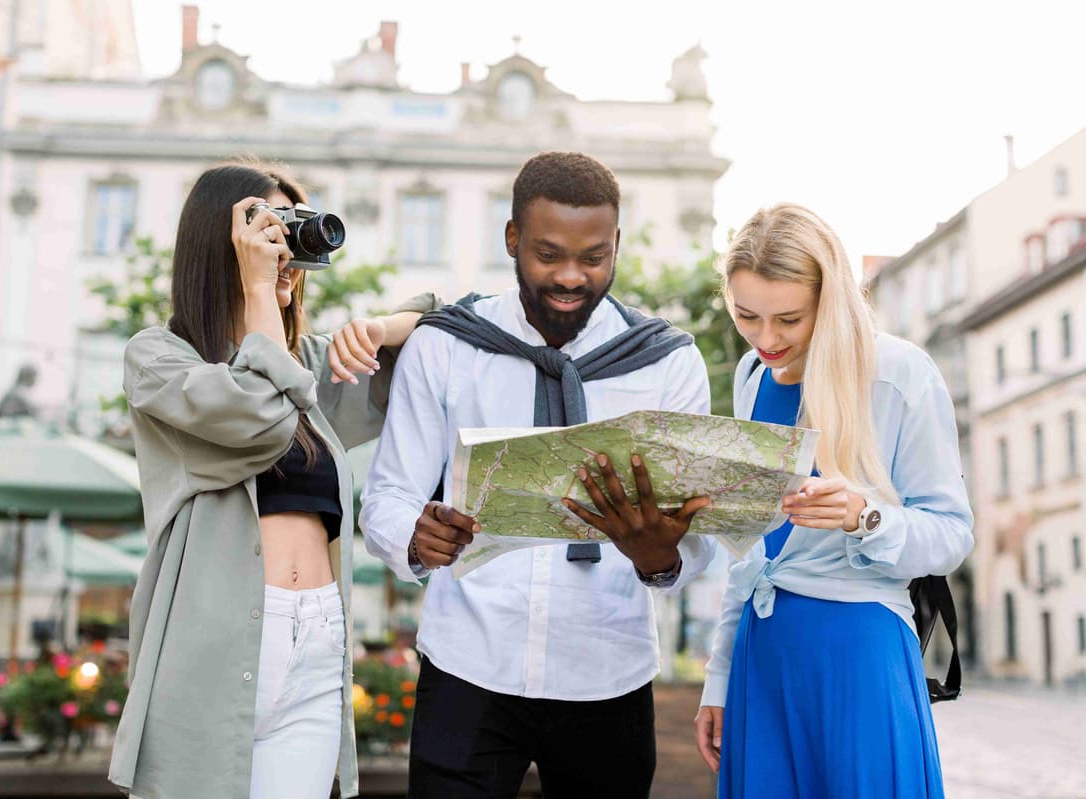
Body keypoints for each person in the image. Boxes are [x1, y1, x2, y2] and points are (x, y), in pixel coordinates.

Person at [360, 151, 717, 798]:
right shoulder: (446, 345)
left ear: (616, 245)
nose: (572, 277)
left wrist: (660, 556)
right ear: (512, 239)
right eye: (549, 254)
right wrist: (415, 534)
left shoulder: (668, 363)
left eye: (595, 257)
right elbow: (386, 494)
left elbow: (699, 541)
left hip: (608, 671)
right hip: (467, 662)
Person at [107, 161, 437, 799]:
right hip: (209, 648)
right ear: (221, 242)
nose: (284, 254)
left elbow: (455, 334)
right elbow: (259, 417)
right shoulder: (157, 359)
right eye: (267, 232)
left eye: (292, 235)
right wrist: (260, 289)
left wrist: (384, 327)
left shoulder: (309, 365)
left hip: (317, 644)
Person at [690, 203, 973, 798]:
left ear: (831, 299)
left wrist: (864, 517)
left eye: (789, 319)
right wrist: (719, 678)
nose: (766, 339)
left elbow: (951, 535)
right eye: (747, 316)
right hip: (762, 653)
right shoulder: (751, 375)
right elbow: (752, 552)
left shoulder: (898, 372)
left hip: (858, 653)